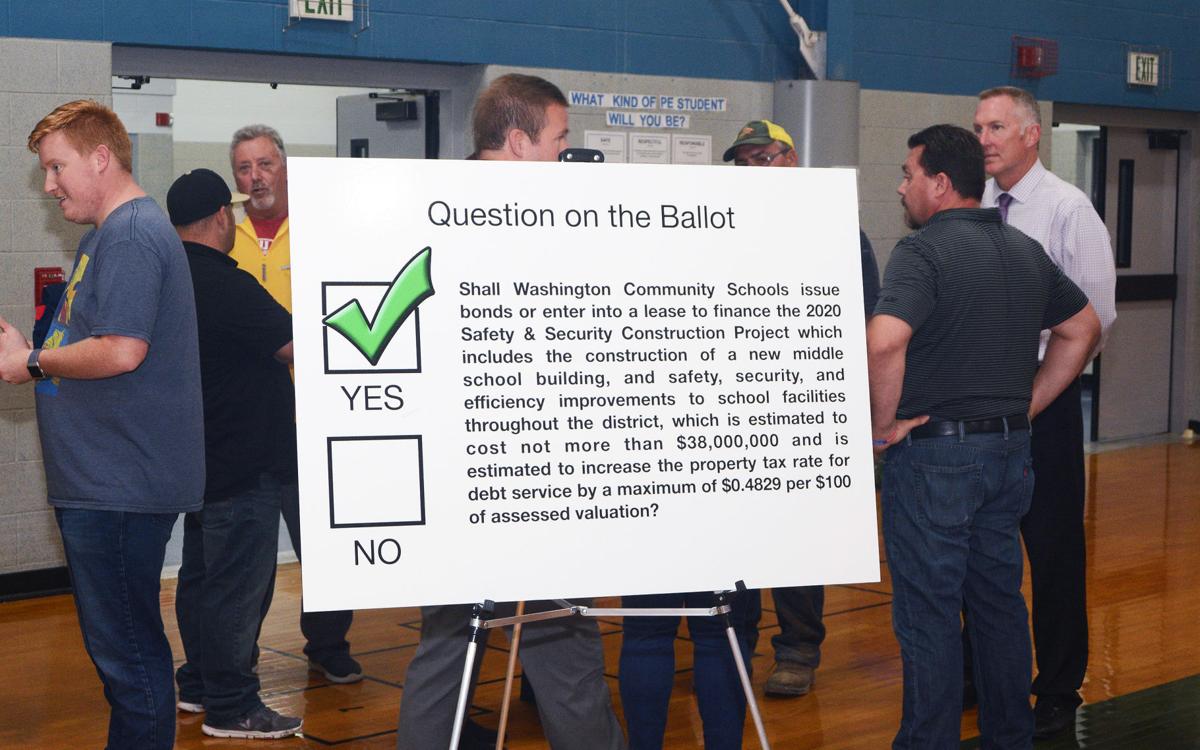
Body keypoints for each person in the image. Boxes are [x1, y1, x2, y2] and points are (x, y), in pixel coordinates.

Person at [396, 73, 625, 750]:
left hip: (451, 479)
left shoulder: (419, 207)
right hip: (528, 473)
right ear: (521, 141)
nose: (566, 154)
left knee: (447, 646)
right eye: (560, 140)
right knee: (563, 645)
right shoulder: (540, 225)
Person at [868, 123, 1100, 748]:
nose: (901, 187)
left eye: (909, 174)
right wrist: (1026, 407)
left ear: (940, 185)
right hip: (1008, 456)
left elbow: (885, 340)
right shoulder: (1023, 250)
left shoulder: (920, 253)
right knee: (999, 606)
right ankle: (1009, 738)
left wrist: (880, 427)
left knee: (930, 615)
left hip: (937, 458)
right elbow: (1083, 327)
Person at [0, 100, 205, 749]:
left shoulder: (135, 234)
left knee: (131, 663)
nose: (50, 184)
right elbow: (91, 339)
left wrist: (30, 362)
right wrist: (29, 350)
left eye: (57, 168)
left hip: (120, 487)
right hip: (102, 483)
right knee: (123, 659)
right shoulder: (107, 236)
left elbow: (121, 349)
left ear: (100, 157)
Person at [970, 86, 1118, 738]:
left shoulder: (1067, 210)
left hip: (1045, 400)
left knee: (1052, 551)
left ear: (1032, 134)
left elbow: (1095, 320)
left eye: (997, 126)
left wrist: (1035, 394)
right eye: (978, 127)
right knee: (981, 546)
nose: (984, 138)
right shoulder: (976, 207)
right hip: (981, 395)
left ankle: (1058, 686)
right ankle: (983, 673)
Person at [723, 119, 881, 698]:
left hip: (806, 405)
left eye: (764, 159)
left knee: (796, 537)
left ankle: (797, 648)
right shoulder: (721, 228)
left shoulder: (836, 226)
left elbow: (867, 319)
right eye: (744, 163)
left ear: (792, 160)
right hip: (734, 405)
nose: (753, 171)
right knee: (735, 534)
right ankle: (733, 639)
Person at [167, 168, 303, 739]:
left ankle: (199, 682)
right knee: (238, 589)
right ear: (222, 216)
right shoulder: (229, 284)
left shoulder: (170, 280)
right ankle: (232, 705)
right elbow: (294, 343)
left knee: (202, 579)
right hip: (246, 464)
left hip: (200, 461)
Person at [228, 123, 363, 684]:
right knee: (246, 553)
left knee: (323, 545)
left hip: (315, 420)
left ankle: (328, 644)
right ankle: (238, 657)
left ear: (285, 167)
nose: (256, 177)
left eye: (265, 164)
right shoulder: (223, 238)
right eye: (244, 168)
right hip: (246, 425)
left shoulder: (321, 230)